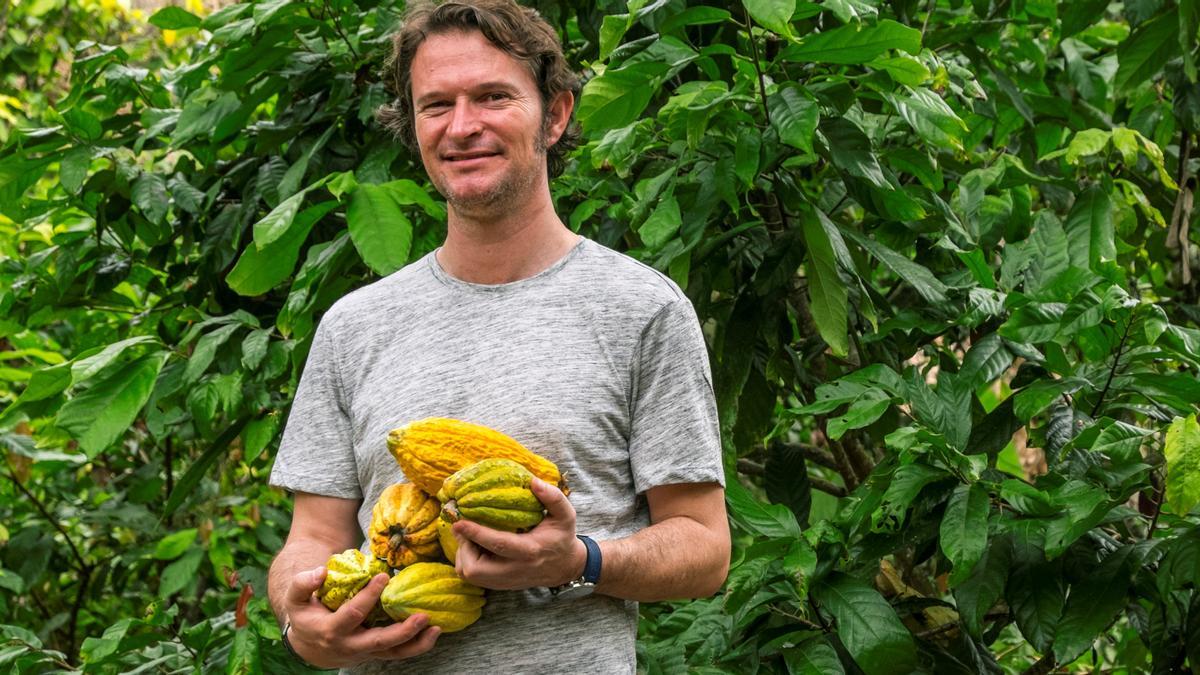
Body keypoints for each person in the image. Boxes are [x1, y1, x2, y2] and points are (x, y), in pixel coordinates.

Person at [265, 1, 730, 672]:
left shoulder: (641, 310)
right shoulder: (354, 326)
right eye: (436, 105)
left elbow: (704, 547)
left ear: (558, 113)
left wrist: (580, 560)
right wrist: (298, 618)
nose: (462, 126)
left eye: (492, 96)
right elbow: (312, 537)